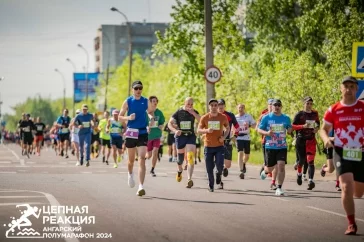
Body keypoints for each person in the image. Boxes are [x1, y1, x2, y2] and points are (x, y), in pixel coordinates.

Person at [320, 76, 364, 235]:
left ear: (356, 89)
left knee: (358, 193)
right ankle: (351, 223)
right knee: (346, 185)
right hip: (340, 151)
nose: (349, 89)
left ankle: (352, 193)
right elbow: (323, 129)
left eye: (352, 86)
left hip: (360, 151)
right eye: (346, 86)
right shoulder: (334, 109)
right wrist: (326, 139)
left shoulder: (362, 107)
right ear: (341, 88)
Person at [118, 80, 149, 196]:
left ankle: (141, 186)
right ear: (132, 90)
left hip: (142, 132)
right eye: (136, 88)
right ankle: (130, 174)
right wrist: (128, 118)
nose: (138, 90)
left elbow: (151, 113)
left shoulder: (145, 101)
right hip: (131, 132)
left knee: (141, 158)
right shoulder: (128, 101)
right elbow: (119, 117)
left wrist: (151, 121)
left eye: (140, 88)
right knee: (131, 160)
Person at [258, 99, 292, 196]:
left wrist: (289, 130)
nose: (277, 107)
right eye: (275, 105)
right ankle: (265, 171)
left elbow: (289, 129)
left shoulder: (286, 118)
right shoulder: (266, 118)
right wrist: (267, 133)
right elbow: (259, 130)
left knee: (281, 166)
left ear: (281, 107)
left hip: (282, 146)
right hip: (270, 146)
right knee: (270, 168)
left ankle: (279, 187)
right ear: (271, 106)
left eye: (278, 105)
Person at [168, 97, 201, 188]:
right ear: (184, 103)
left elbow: (201, 121)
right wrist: (175, 131)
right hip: (181, 136)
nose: (190, 106)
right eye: (188, 104)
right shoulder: (178, 112)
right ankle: (179, 171)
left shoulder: (194, 111)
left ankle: (189, 179)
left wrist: (193, 113)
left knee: (190, 157)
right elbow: (169, 123)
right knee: (180, 160)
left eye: (191, 104)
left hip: (190, 136)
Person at [197, 98, 229, 192]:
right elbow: (198, 130)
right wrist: (206, 130)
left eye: (216, 105)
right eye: (212, 105)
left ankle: (218, 174)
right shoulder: (205, 117)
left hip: (219, 145)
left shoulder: (223, 117)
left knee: (219, 166)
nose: (214, 107)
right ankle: (211, 185)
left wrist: (224, 137)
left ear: (218, 106)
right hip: (208, 146)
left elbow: (227, 128)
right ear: (209, 106)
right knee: (209, 167)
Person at [292, 96, 320, 190]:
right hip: (301, 140)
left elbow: (318, 124)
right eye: (307, 103)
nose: (309, 105)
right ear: (304, 104)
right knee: (302, 161)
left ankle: (311, 180)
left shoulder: (315, 114)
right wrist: (302, 126)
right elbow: (292, 126)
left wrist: (316, 129)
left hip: (311, 140)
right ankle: (299, 174)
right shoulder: (299, 114)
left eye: (311, 103)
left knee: (310, 161)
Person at [217, 99, 240, 177]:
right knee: (218, 160)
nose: (220, 106)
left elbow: (237, 127)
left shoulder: (230, 115)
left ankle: (224, 168)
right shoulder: (213, 115)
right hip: (216, 141)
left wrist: (235, 136)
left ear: (224, 106)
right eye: (219, 105)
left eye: (222, 105)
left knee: (228, 164)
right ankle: (219, 177)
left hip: (227, 141)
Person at [234, 104, 256, 179]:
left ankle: (243, 163)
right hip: (238, 137)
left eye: (242, 107)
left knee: (247, 155)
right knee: (240, 153)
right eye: (239, 107)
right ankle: (241, 171)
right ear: (237, 108)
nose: (240, 109)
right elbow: (231, 127)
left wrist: (249, 125)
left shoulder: (248, 116)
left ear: (244, 108)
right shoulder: (235, 117)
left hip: (246, 137)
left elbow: (254, 125)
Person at [146, 96, 165, 177]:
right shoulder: (145, 112)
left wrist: (161, 126)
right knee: (149, 155)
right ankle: (142, 159)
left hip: (157, 135)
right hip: (148, 137)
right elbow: (142, 123)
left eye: (156, 101)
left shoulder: (159, 112)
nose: (155, 102)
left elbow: (162, 122)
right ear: (150, 102)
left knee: (155, 152)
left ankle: (152, 169)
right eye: (153, 101)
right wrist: (147, 128)